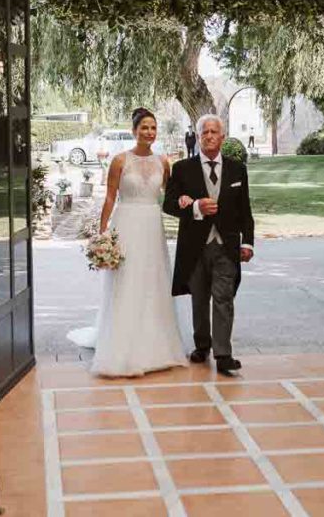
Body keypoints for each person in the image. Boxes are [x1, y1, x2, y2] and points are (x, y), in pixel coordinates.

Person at [67, 108, 187, 377]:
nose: (149, 132)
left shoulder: (163, 162)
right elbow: (110, 197)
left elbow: (170, 196)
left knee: (153, 280)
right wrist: (103, 234)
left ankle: (156, 347)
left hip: (152, 225)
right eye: (144, 127)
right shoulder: (120, 161)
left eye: (153, 127)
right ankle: (121, 346)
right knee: (127, 280)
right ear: (134, 131)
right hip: (126, 222)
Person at [164, 115, 255, 376]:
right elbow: (168, 204)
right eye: (205, 132)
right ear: (198, 136)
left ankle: (223, 354)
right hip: (195, 246)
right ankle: (202, 345)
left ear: (222, 137)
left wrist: (247, 242)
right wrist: (195, 206)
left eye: (215, 132)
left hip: (226, 245)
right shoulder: (182, 168)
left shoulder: (238, 169)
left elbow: (245, 210)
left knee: (224, 297)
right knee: (200, 298)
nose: (210, 136)